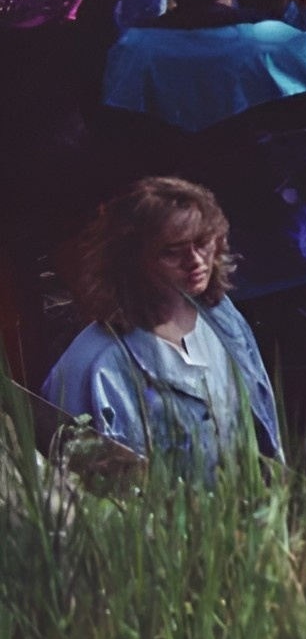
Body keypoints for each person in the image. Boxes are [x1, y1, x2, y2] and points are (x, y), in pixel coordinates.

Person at [42, 176, 282, 475]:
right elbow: (75, 485)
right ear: (131, 260)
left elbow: (263, 430)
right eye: (173, 250)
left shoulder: (223, 317)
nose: (195, 260)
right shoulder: (95, 363)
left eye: (202, 242)